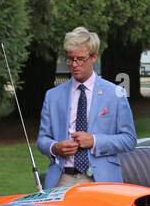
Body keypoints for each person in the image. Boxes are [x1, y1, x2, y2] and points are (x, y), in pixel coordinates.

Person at [35, 27, 136, 188]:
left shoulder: (115, 93)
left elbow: (129, 140)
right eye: (70, 59)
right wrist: (55, 147)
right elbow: (42, 139)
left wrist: (94, 141)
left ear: (94, 57)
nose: (74, 64)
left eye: (80, 59)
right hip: (62, 179)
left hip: (101, 180)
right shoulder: (53, 96)